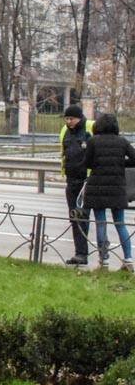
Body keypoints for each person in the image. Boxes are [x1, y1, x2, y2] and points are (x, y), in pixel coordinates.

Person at [82, 113, 135, 271]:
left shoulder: (93, 141)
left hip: (97, 186)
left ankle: (103, 261)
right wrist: (121, 164)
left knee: (101, 223)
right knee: (120, 224)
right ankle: (128, 259)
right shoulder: (122, 141)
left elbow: (87, 163)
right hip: (117, 188)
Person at [61, 104, 95, 266]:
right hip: (71, 180)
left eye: (71, 118)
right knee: (74, 217)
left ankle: (83, 253)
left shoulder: (87, 131)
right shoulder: (66, 132)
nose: (69, 121)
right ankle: (78, 253)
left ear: (79, 118)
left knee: (82, 217)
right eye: (67, 119)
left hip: (84, 182)